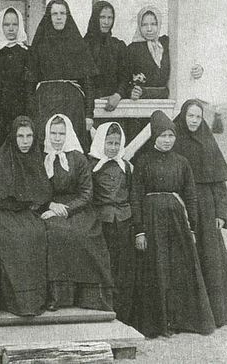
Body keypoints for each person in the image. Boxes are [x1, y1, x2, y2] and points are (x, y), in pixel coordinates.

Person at [130, 110, 215, 338]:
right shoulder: (143, 161)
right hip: (151, 222)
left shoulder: (182, 163)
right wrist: (139, 231)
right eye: (162, 136)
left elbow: (191, 196)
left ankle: (178, 320)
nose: (167, 140)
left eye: (171, 136)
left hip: (177, 222)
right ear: (155, 136)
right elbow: (136, 197)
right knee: (156, 268)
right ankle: (157, 323)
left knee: (178, 269)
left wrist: (192, 227)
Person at [172, 100, 227, 327]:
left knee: (210, 258)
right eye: (190, 116)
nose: (193, 120)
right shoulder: (174, 139)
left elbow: (219, 183)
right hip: (182, 205)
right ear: (183, 116)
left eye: (198, 117)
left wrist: (221, 213)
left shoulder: (207, 141)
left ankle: (217, 314)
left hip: (207, 208)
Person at [40, 114, 113, 311]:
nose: (57, 138)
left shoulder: (78, 158)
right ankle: (58, 297)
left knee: (84, 233)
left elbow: (86, 193)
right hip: (50, 208)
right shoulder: (41, 158)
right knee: (56, 233)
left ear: (68, 134)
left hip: (77, 207)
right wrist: (49, 205)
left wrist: (67, 209)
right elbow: (35, 189)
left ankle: (87, 298)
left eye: (61, 134)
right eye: (53, 133)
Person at [0, 116, 51, 316]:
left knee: (37, 234)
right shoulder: (2, 157)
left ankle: (33, 300)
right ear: (13, 137)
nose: (25, 141)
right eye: (20, 136)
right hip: (3, 212)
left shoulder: (35, 157)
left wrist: (36, 205)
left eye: (29, 136)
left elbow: (42, 190)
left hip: (27, 213)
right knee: (13, 238)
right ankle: (15, 302)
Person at [28, 0, 98, 151]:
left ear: (68, 16)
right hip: (45, 104)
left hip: (72, 105)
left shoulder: (78, 44)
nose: (58, 17)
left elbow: (88, 83)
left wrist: (89, 114)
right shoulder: (40, 44)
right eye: (54, 14)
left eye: (62, 13)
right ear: (49, 16)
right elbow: (30, 82)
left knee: (71, 149)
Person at [126, 6, 203, 140]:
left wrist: (198, 68)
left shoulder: (167, 43)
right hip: (141, 109)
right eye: (144, 25)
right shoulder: (132, 49)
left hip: (165, 104)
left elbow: (185, 57)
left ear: (159, 24)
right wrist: (130, 91)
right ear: (139, 25)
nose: (149, 29)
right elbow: (124, 78)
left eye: (153, 24)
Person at [88, 122, 134, 323]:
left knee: (122, 268)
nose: (113, 147)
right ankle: (103, 309)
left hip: (123, 222)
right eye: (109, 143)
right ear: (101, 142)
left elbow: (131, 193)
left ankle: (122, 312)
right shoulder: (92, 166)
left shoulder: (126, 167)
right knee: (104, 265)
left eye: (117, 143)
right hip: (102, 221)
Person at [0, 7, 31, 142]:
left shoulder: (27, 52)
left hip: (21, 109)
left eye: (14, 24)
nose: (11, 28)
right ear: (0, 26)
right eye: (6, 25)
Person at [84, 1, 129, 116]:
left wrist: (118, 95)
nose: (106, 22)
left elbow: (125, 76)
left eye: (110, 18)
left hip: (115, 107)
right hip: (91, 109)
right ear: (95, 18)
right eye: (102, 17)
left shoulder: (118, 46)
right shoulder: (84, 45)